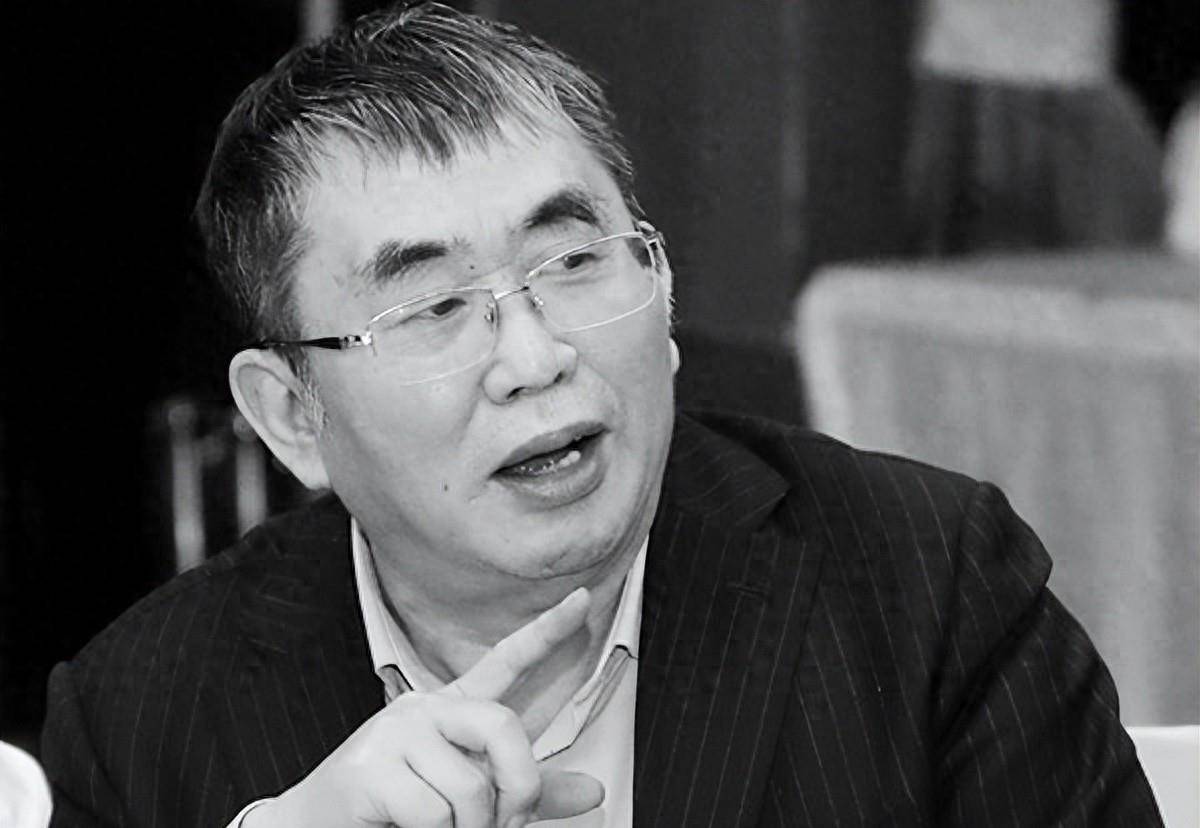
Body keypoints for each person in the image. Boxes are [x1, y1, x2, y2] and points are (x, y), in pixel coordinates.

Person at [40, 3, 1162, 826]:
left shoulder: (931, 589)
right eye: (432, 309)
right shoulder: (144, 716)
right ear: (292, 416)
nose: (535, 359)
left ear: (662, 291)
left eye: (574, 261)